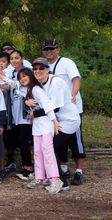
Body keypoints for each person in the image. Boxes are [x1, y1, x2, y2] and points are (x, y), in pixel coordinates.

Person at [27, 57, 81, 191]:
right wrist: (27, 103)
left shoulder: (55, 82)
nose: (38, 71)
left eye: (41, 68)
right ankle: (48, 177)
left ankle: (60, 181)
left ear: (48, 69)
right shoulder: (39, 84)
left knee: (49, 147)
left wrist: (33, 114)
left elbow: (55, 108)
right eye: (35, 69)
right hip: (55, 120)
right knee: (47, 148)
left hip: (68, 120)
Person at [42, 39, 85, 185]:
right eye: (46, 49)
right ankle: (63, 168)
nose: (49, 51)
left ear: (57, 49)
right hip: (57, 112)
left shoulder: (66, 62)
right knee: (58, 140)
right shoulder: (44, 66)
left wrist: (73, 94)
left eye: (51, 49)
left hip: (72, 109)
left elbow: (76, 79)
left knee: (76, 141)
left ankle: (79, 171)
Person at [2, 50, 34, 179]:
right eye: (12, 58)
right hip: (15, 115)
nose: (14, 60)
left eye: (17, 58)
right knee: (20, 141)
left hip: (26, 114)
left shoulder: (27, 74)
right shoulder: (12, 75)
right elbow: (7, 81)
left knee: (23, 140)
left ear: (22, 59)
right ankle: (27, 167)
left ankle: (29, 168)